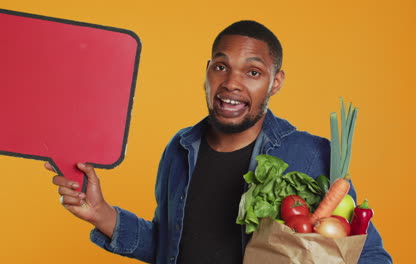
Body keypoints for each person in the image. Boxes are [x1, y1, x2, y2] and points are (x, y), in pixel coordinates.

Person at [49, 20, 392, 264]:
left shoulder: (312, 155)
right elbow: (170, 247)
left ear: (275, 83)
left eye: (253, 72)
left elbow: (371, 256)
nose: (232, 82)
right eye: (221, 67)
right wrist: (102, 214)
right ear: (207, 72)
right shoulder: (180, 149)